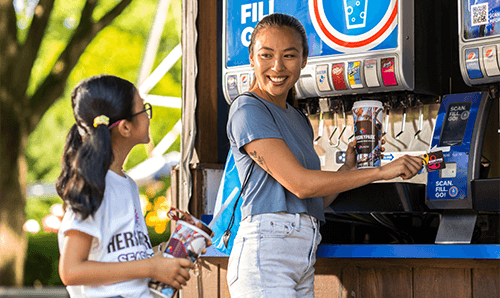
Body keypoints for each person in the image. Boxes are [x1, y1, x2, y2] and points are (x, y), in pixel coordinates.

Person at [226, 13, 423, 298]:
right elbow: (301, 184)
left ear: (304, 60)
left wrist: (348, 170)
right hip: (266, 253)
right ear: (252, 58)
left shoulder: (297, 118)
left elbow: (312, 200)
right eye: (266, 55)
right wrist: (383, 171)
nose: (277, 66)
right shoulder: (248, 109)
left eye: (289, 56)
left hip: (301, 253)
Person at [56, 75, 194, 298]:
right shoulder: (93, 184)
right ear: (126, 127)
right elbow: (71, 270)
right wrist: (150, 267)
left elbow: (122, 255)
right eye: (143, 110)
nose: (149, 118)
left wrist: (174, 247)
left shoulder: (126, 183)